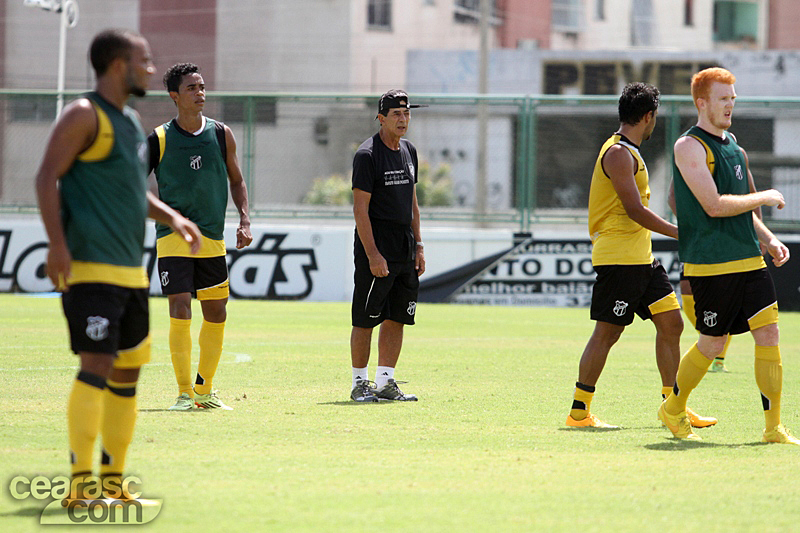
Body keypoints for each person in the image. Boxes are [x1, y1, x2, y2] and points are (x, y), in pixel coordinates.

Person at [35, 29, 202, 501]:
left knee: (128, 374)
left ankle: (114, 483)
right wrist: (56, 244)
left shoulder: (129, 122)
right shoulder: (83, 115)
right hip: (91, 270)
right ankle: (79, 486)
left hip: (132, 273)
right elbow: (47, 176)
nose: (151, 69)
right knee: (97, 365)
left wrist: (172, 216)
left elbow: (134, 192)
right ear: (116, 65)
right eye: (144, 61)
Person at [659, 67, 799, 443]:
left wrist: (768, 239)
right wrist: (766, 195)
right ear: (702, 103)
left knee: (769, 333)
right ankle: (673, 409)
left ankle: (773, 428)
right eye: (723, 98)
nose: (730, 105)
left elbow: (742, 209)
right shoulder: (688, 147)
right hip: (711, 265)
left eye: (733, 98)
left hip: (749, 259)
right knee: (712, 343)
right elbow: (715, 205)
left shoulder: (733, 144)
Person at [566, 82, 716, 429]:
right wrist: (682, 232)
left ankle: (673, 405)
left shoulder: (630, 151)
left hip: (641, 259)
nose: (654, 123)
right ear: (648, 116)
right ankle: (579, 411)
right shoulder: (618, 153)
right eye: (654, 117)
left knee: (672, 324)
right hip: (620, 259)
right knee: (607, 332)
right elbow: (634, 210)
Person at [148, 63, 253, 411]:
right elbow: (133, 183)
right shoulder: (159, 138)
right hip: (173, 236)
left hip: (212, 237)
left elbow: (237, 180)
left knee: (216, 311)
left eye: (202, 87)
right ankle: (183, 393)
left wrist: (244, 219)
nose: (200, 93)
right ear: (174, 96)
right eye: (191, 88)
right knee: (180, 306)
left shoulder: (222, 134)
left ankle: (204, 391)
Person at [349, 89, 426, 402]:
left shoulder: (409, 151)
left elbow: (413, 202)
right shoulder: (367, 155)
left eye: (406, 113)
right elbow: (360, 209)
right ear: (381, 118)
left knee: (398, 317)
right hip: (377, 246)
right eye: (396, 114)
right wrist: (373, 255)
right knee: (365, 319)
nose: (403, 119)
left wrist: (419, 245)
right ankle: (359, 384)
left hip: (404, 247)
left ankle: (386, 382)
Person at [668, 175, 764, 375]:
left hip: (730, 238)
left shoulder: (735, 152)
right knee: (687, 289)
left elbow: (752, 195)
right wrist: (690, 224)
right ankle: (709, 341)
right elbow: (672, 196)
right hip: (699, 239)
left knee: (728, 298)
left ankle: (718, 358)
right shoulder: (690, 149)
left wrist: (759, 235)